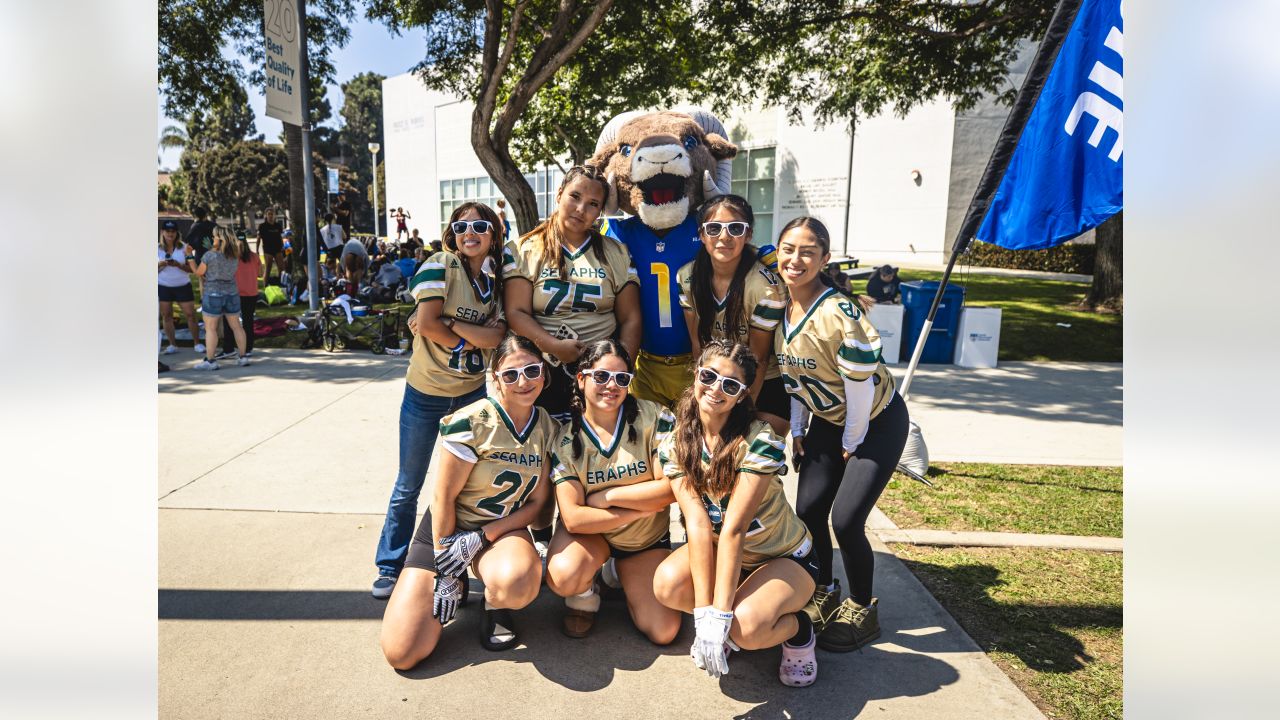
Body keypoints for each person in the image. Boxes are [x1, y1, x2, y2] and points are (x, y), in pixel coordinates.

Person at [380, 335, 560, 667]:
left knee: (518, 582)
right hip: (446, 530)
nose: (523, 381)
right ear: (496, 378)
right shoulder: (472, 421)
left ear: (544, 374)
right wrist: (446, 564)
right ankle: (458, 580)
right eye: (511, 374)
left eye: (532, 371)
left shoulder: (547, 427)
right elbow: (443, 497)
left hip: (499, 533)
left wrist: (482, 537)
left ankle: (494, 602)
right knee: (402, 652)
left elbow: (536, 505)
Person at [773, 217, 909, 652]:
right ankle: (824, 588)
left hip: (875, 421)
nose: (796, 259)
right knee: (809, 510)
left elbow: (860, 388)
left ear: (824, 259)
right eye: (789, 249)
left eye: (807, 251)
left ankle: (861, 606)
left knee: (846, 520)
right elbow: (795, 379)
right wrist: (797, 430)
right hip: (831, 421)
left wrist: (851, 442)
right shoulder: (783, 308)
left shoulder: (837, 312)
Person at [652, 340, 820, 686]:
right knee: (667, 585)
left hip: (781, 556)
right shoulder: (674, 443)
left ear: (742, 395)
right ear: (695, 374)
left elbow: (735, 529)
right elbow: (697, 524)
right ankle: (732, 614)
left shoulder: (761, 441)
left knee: (745, 630)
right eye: (709, 376)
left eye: (730, 385)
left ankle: (800, 627)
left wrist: (722, 615)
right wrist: (704, 616)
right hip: (727, 555)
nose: (716, 389)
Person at [371, 202, 509, 599]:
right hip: (426, 393)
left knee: (467, 486)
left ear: (493, 235)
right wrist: (464, 336)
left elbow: (496, 336)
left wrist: (450, 326)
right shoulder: (440, 264)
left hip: (469, 393)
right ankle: (389, 565)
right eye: (461, 225)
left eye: (481, 226)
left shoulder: (494, 279)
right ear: (452, 232)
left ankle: (455, 565)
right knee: (408, 484)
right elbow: (427, 324)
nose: (471, 232)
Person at [544, 340, 681, 644]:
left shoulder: (654, 417)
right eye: (602, 376)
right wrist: (640, 509)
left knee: (664, 632)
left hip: (643, 541)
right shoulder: (566, 437)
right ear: (581, 379)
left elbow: (669, 490)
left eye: (622, 378)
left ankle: (614, 575)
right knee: (564, 576)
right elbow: (574, 519)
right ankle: (584, 595)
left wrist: (607, 498)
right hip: (592, 537)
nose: (612, 386)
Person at [503, 164, 642, 425]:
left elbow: (631, 318)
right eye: (575, 197)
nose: (581, 209)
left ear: (600, 211)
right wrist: (553, 346)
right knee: (543, 453)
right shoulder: (523, 249)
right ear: (559, 194)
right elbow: (516, 312)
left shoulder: (617, 253)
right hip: (540, 372)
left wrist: (618, 371)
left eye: (592, 204)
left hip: (598, 375)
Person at [677, 194, 789, 435]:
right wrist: (704, 397)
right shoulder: (687, 277)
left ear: (748, 234)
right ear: (702, 234)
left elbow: (757, 360)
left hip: (762, 383)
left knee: (755, 447)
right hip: (716, 378)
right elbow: (699, 346)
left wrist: (740, 412)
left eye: (735, 228)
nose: (724, 236)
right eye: (714, 228)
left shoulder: (764, 288)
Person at [192, 227, 250, 370]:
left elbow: (198, 272)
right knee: (237, 326)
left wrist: (189, 257)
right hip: (232, 293)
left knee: (210, 329)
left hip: (213, 294)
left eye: (214, 237)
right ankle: (243, 357)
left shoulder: (210, 255)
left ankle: (211, 361)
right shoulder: (236, 254)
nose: (213, 239)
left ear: (220, 238)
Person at [157, 219, 204, 355]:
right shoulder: (156, 249)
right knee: (166, 316)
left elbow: (192, 269)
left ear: (177, 233)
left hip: (183, 286)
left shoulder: (184, 248)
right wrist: (161, 265)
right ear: (162, 232)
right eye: (167, 231)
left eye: (173, 231)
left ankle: (197, 343)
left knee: (191, 315)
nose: (170, 234)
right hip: (163, 286)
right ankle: (172, 345)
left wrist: (178, 265)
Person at [218, 233, 262, 360]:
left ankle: (229, 349)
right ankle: (248, 349)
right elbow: (260, 273)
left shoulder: (230, 257)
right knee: (248, 322)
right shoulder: (255, 257)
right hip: (251, 293)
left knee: (230, 322)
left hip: (234, 294)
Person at [257, 207, 286, 283]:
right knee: (268, 269)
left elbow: (280, 237)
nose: (270, 216)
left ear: (274, 215)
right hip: (267, 250)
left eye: (272, 214)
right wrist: (257, 250)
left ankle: (281, 284)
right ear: (266, 215)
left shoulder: (278, 226)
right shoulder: (262, 226)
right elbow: (258, 239)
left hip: (278, 249)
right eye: (269, 214)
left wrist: (283, 246)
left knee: (281, 268)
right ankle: (265, 286)